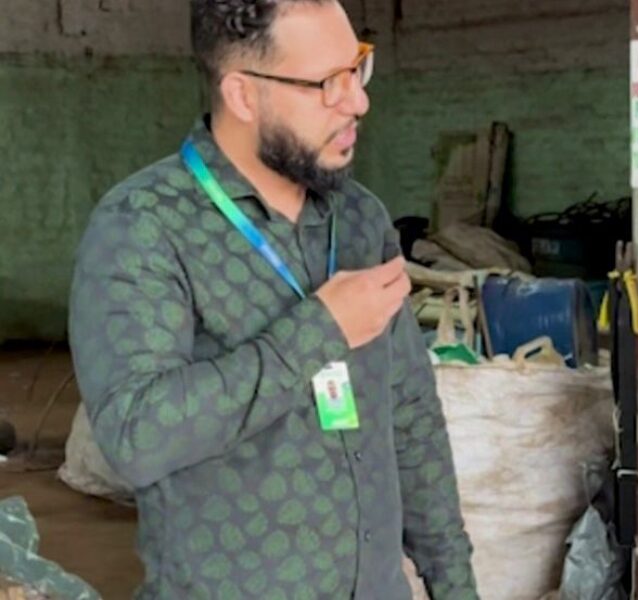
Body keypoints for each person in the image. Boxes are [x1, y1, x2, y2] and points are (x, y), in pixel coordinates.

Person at [68, 1, 477, 598]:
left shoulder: (360, 219)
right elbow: (136, 436)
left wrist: (456, 586)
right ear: (243, 95)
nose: (357, 101)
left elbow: (411, 416)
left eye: (356, 69)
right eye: (324, 84)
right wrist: (319, 332)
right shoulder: (144, 227)